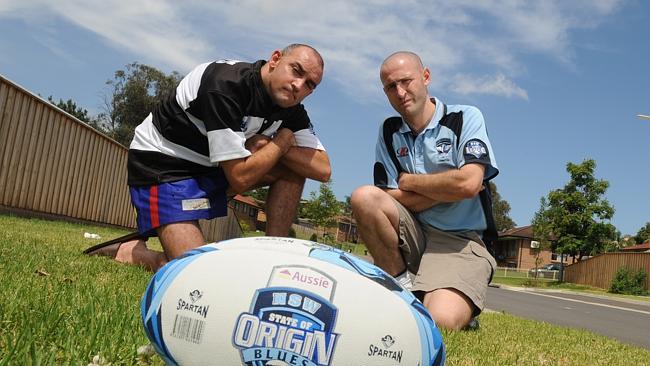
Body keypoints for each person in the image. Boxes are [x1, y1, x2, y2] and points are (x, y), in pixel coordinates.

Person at [88, 44, 331, 271]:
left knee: (293, 169)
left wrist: (277, 145)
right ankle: (131, 252)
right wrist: (282, 140)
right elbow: (239, 179)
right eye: (296, 71)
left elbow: (323, 169)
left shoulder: (290, 107)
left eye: (310, 84)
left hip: (212, 168)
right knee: (195, 271)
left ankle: (272, 259)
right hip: (164, 167)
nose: (299, 85)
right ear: (276, 59)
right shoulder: (226, 84)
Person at [351, 51, 498, 330]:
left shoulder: (464, 117)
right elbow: (386, 197)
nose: (400, 92)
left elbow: (469, 183)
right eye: (390, 87)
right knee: (364, 197)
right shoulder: (389, 130)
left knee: (439, 322)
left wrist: (410, 182)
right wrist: (448, 188)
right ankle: (402, 287)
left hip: (460, 240)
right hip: (415, 234)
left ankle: (459, 305)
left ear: (426, 77)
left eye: (406, 81)